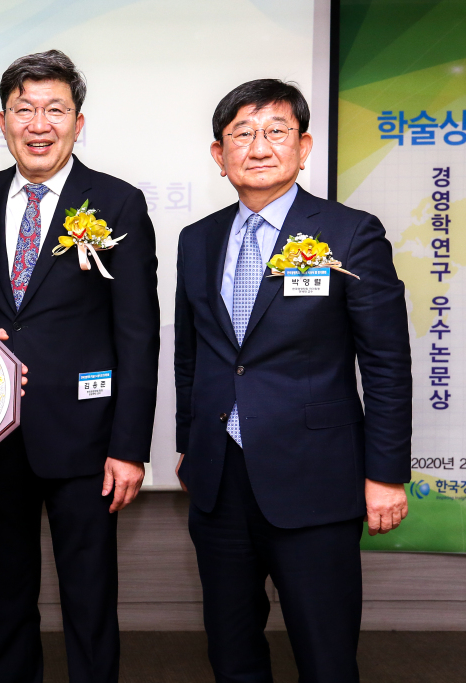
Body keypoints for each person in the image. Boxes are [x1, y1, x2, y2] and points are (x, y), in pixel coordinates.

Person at [174, 79, 411, 682]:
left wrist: (385, 474)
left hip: (316, 477)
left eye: (276, 131)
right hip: (219, 479)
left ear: (303, 148)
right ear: (219, 154)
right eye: (241, 134)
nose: (258, 147)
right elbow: (191, 355)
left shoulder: (351, 233)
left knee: (326, 656)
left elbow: (386, 362)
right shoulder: (197, 239)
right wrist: (187, 443)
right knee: (231, 652)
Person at [0, 50, 160, 683]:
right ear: (3, 121)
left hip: (87, 439)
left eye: (55, 110)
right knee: (5, 596)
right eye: (24, 110)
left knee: (89, 598)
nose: (39, 124)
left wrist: (129, 447)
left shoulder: (117, 203)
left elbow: (138, 334)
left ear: (78, 122)